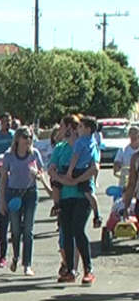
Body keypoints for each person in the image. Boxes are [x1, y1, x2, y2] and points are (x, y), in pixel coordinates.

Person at [49, 118, 99, 285]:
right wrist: (64, 181)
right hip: (65, 196)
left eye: (63, 127)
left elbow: (94, 168)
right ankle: (70, 269)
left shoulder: (87, 145)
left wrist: (76, 181)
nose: (60, 130)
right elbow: (51, 170)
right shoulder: (60, 148)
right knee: (67, 232)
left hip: (81, 195)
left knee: (78, 229)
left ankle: (88, 269)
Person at [0, 128, 43, 276]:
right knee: (16, 230)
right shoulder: (9, 155)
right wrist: (2, 201)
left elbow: (41, 173)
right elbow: (3, 178)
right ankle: (16, 256)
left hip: (30, 193)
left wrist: (36, 173)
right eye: (25, 137)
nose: (28, 140)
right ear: (17, 139)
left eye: (30, 137)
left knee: (28, 230)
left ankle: (27, 264)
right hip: (13, 193)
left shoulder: (34, 154)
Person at [62, 116, 102, 228]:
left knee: (59, 176)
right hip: (86, 168)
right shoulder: (93, 141)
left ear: (88, 129)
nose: (78, 129)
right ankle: (97, 215)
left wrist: (69, 172)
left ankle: (57, 204)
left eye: (80, 126)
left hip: (78, 169)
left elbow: (75, 157)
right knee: (89, 193)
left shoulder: (80, 142)